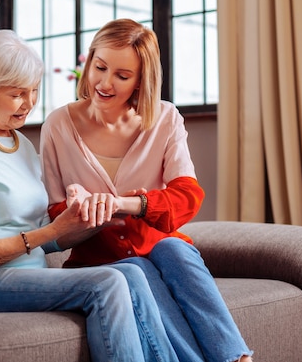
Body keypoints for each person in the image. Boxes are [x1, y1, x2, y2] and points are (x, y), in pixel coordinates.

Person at [0, 29, 181, 362]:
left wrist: (97, 216)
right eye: (17, 94)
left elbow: (47, 239)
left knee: (131, 270)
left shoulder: (19, 144)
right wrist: (54, 230)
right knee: (106, 283)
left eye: (34, 91)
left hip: (28, 275)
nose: (30, 103)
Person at [40, 18, 253, 362]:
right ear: (90, 60)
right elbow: (54, 217)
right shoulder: (58, 126)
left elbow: (187, 195)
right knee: (136, 270)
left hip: (159, 250)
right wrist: (80, 214)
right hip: (98, 263)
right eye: (100, 67)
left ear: (141, 81)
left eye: (122, 76)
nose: (105, 83)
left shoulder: (166, 119)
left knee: (175, 250)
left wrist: (130, 204)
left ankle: (239, 358)